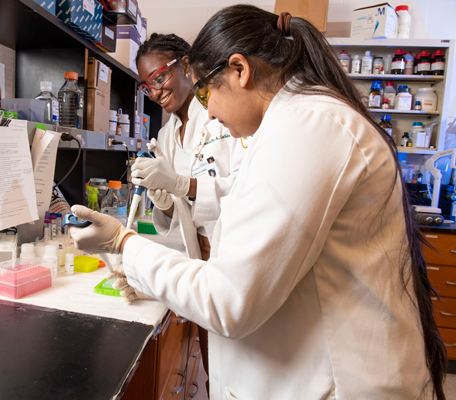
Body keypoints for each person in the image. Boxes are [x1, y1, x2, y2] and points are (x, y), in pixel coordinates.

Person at [70, 5, 446, 400]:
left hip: (342, 381)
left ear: (239, 70)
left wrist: (124, 245)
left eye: (205, 91)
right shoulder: (291, 123)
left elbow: (229, 298)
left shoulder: (309, 127)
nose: (210, 112)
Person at [133, 33, 246, 392]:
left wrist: (184, 187)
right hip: (196, 251)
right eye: (147, 85)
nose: (155, 92)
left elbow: (244, 189)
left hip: (231, 248)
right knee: (214, 356)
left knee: (240, 356)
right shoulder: (165, 135)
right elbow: (169, 219)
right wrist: (164, 202)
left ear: (185, 65)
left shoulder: (221, 115)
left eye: (159, 78)